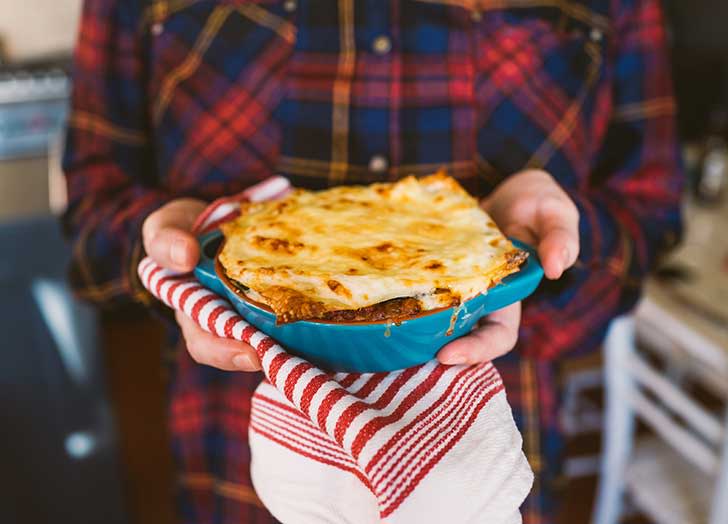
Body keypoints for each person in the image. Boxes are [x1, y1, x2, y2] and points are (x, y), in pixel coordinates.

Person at [62, 0, 683, 522]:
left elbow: (647, 212)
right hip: (240, 471)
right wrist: (170, 250)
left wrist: (540, 260)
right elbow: (93, 224)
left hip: (484, 460)